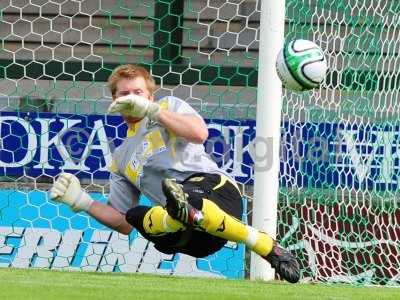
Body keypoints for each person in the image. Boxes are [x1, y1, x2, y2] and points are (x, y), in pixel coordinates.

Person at [49, 64, 300, 283]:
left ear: (150, 95)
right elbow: (123, 223)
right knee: (137, 214)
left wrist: (152, 111)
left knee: (185, 195)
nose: (132, 98)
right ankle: (179, 215)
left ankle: (264, 245)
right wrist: (81, 201)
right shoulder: (120, 158)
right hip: (196, 242)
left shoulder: (167, 106)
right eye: (124, 94)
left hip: (218, 193)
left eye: (138, 93)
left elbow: (199, 133)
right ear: (114, 100)